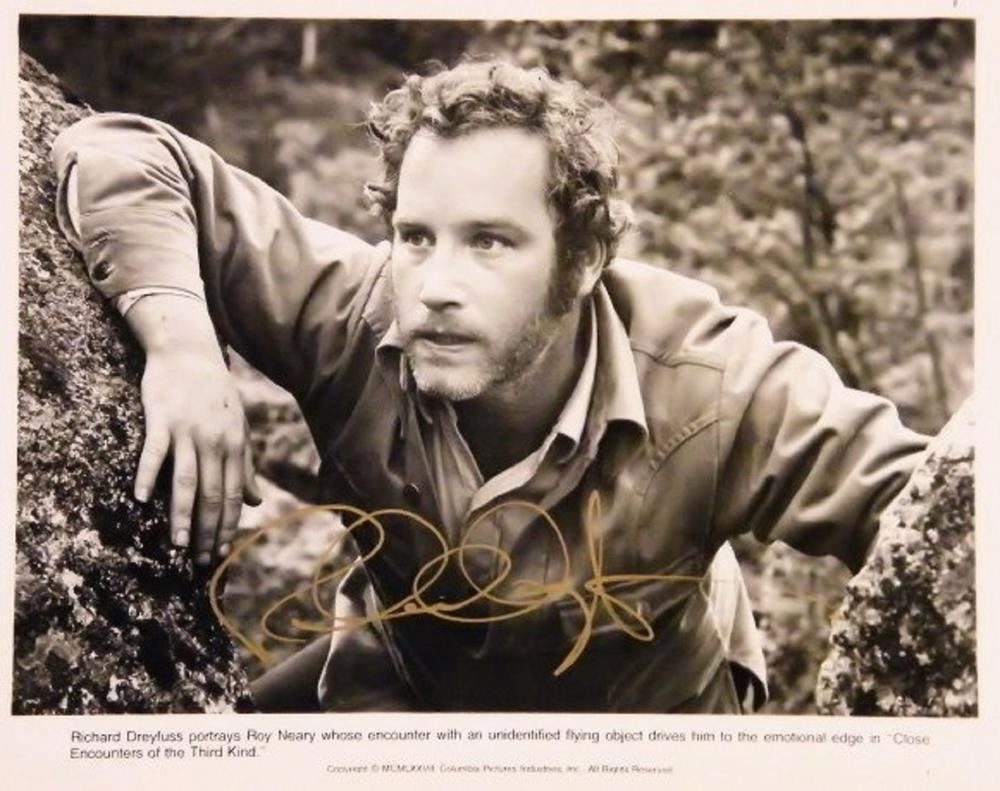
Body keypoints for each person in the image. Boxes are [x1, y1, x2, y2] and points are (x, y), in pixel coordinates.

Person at [51, 59, 927, 714]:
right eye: (416, 236)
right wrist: (184, 348)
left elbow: (932, 506)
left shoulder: (714, 383)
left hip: (642, 733)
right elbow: (119, 149)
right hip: (408, 684)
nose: (436, 284)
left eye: (490, 242)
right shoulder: (356, 312)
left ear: (585, 258)